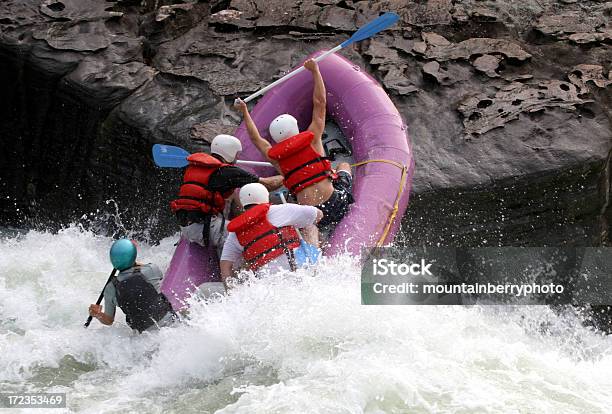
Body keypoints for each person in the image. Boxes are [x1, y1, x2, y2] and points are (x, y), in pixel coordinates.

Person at [234, 58, 354, 231]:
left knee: (298, 206)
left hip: (312, 216)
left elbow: (256, 139)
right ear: (296, 128)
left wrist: (245, 112)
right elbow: (320, 104)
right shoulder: (313, 138)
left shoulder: (275, 157)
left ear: (276, 138)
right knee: (343, 165)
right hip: (336, 204)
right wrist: (315, 71)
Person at [170, 134, 283, 256]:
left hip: (187, 225)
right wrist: (290, 172)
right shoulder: (226, 172)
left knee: (232, 194)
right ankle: (233, 270)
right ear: (230, 152)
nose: (237, 157)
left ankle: (244, 218)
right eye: (236, 153)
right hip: (203, 229)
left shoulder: (195, 167)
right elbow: (269, 184)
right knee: (244, 235)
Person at [220, 183, 322, 286]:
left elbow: (225, 266)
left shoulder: (234, 233)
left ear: (243, 203)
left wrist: (231, 292)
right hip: (298, 271)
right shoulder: (281, 209)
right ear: (265, 197)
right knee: (311, 227)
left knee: (244, 261)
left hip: (267, 285)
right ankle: (317, 264)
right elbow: (318, 214)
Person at [88, 239, 176, 333]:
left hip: (144, 336)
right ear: (134, 256)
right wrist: (132, 257)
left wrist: (97, 314)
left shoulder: (110, 288)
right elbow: (158, 275)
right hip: (170, 324)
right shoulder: (151, 269)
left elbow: (109, 321)